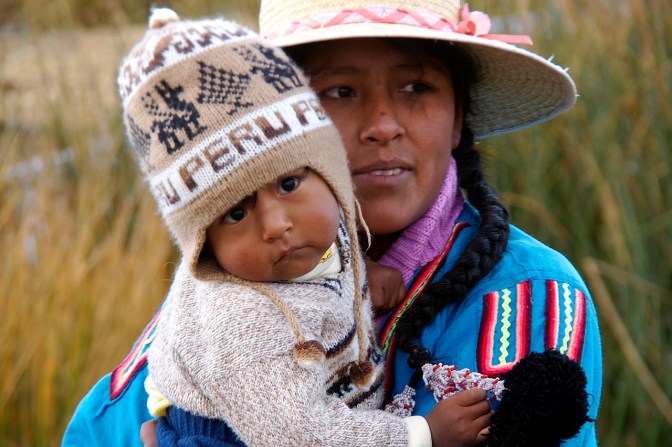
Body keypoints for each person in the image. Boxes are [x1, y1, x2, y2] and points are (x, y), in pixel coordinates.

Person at [63, 1, 602, 446]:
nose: (383, 126)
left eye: (416, 88)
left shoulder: (529, 300)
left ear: (460, 116)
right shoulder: (230, 282)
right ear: (286, 124)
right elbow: (98, 429)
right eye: (340, 92)